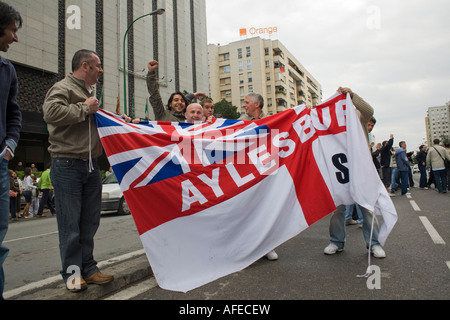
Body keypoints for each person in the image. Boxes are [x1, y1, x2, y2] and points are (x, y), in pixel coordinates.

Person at [42, 49, 113, 292]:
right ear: (85, 66)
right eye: (98, 66)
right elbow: (50, 113)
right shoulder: (64, 87)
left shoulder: (88, 93)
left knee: (89, 222)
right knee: (70, 224)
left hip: (90, 166)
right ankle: (73, 274)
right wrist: (84, 108)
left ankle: (89, 269)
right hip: (67, 164)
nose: (101, 70)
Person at [324, 87, 386, 259]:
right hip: (340, 171)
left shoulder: (359, 118)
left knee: (367, 207)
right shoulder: (332, 121)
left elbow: (369, 110)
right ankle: (336, 241)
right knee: (338, 208)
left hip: (361, 169)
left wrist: (352, 95)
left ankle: (374, 244)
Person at [0, 1, 22, 300]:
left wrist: (10, 146)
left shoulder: (8, 71)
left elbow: (13, 113)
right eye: (12, 31)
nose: (15, 38)